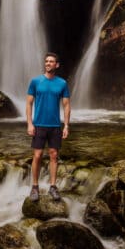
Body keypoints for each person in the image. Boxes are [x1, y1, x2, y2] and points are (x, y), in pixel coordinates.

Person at [26, 52, 71, 201]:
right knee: (37, 156)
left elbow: (66, 106)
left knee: (54, 155)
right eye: (46, 61)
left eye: (51, 61)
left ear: (56, 65)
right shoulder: (35, 82)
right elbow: (29, 103)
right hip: (38, 125)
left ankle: (53, 187)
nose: (48, 63)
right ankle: (35, 187)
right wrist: (30, 124)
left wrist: (66, 126)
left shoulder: (62, 83)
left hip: (55, 126)